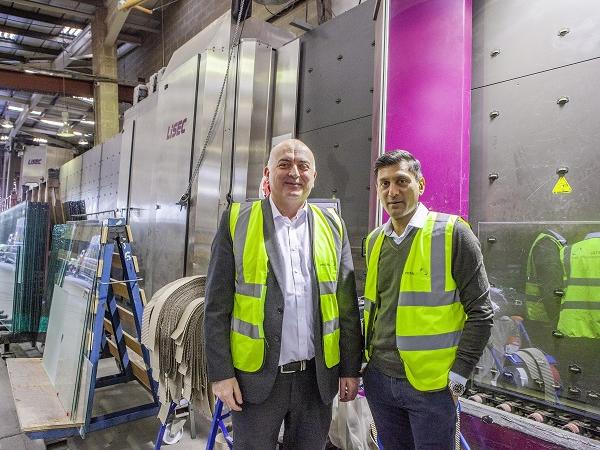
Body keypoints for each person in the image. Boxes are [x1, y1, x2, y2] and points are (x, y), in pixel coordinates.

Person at [204, 139, 363, 450]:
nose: (295, 173)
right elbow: (216, 306)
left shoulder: (333, 226)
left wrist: (349, 369)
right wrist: (221, 374)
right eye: (284, 164)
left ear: (314, 175)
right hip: (256, 380)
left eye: (303, 166)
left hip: (316, 379)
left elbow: (346, 307)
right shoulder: (237, 220)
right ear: (268, 173)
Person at [362, 150, 494, 450]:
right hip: (380, 380)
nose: (392, 191)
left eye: (401, 181)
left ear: (420, 184)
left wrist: (459, 375)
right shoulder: (374, 241)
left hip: (433, 387)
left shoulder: (453, 234)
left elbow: (481, 312)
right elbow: (374, 309)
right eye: (384, 183)